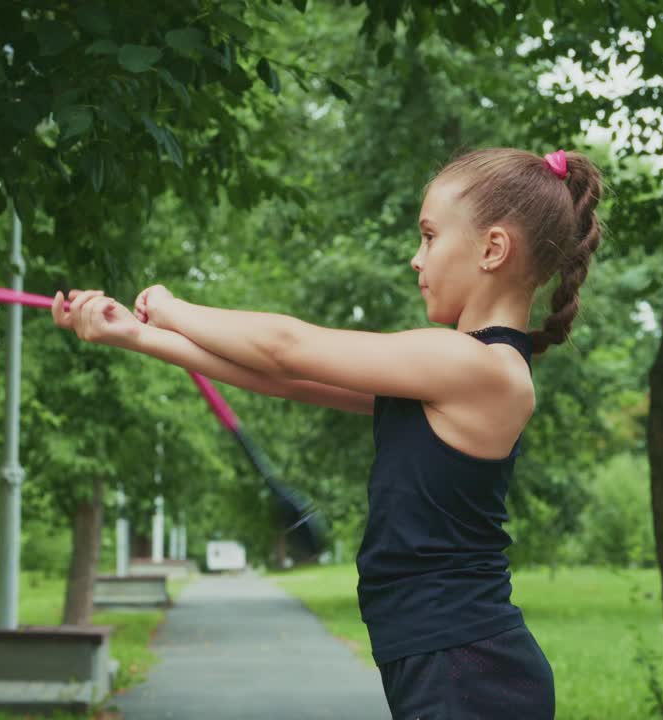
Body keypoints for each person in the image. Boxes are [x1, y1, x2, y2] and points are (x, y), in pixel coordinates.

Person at [51, 147, 604, 719]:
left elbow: (286, 348)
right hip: (444, 658)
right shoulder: (450, 371)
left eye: (429, 237)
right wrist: (137, 337)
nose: (416, 260)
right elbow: (284, 378)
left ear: (492, 248)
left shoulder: (481, 368)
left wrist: (168, 305)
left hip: (468, 669)